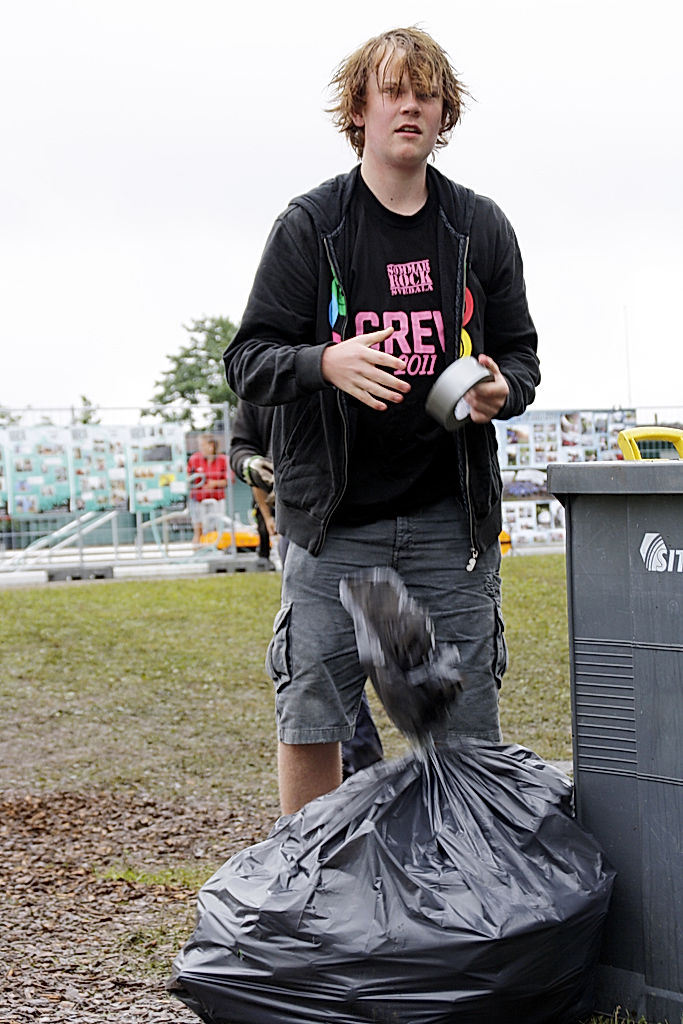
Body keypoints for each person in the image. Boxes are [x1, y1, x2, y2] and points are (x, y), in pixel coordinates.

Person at [224, 27, 540, 815]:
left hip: (446, 525)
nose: (410, 106)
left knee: (458, 726)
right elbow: (248, 359)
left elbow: (521, 355)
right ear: (357, 112)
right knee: (314, 715)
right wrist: (321, 364)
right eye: (392, 92)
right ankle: (310, 895)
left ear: (444, 115)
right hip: (335, 528)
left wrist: (504, 387)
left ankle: (472, 900)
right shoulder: (312, 226)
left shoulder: (479, 228)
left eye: (425, 94)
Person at [229, 398, 384, 775]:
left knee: (379, 644)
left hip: (373, 519)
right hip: (305, 531)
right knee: (320, 656)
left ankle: (366, 757)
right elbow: (241, 448)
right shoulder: (263, 383)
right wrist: (252, 467)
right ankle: (359, 757)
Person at [186, 435, 229, 547]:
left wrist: (214, 483)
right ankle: (197, 555)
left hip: (217, 500)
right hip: (198, 500)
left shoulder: (223, 460)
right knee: (198, 530)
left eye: (203, 445)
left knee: (215, 529)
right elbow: (187, 477)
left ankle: (214, 552)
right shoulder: (194, 459)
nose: (200, 448)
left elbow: (228, 480)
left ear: (211, 446)